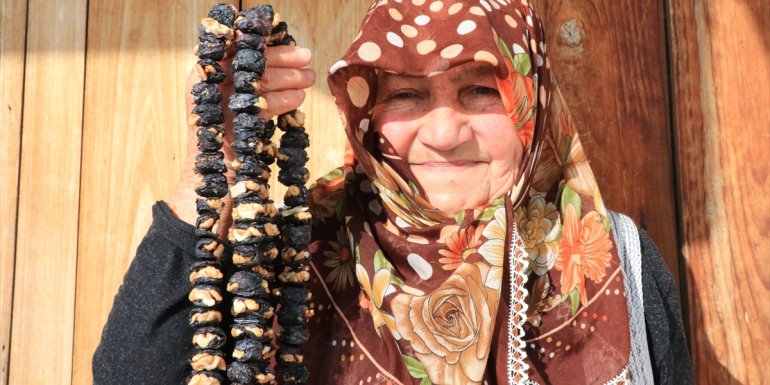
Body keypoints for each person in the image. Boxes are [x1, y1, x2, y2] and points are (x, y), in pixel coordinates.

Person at [93, 1, 693, 384]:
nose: (443, 132)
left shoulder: (612, 259)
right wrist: (213, 164)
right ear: (368, 115)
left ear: (530, 106)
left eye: (481, 91)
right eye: (407, 95)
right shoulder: (291, 255)